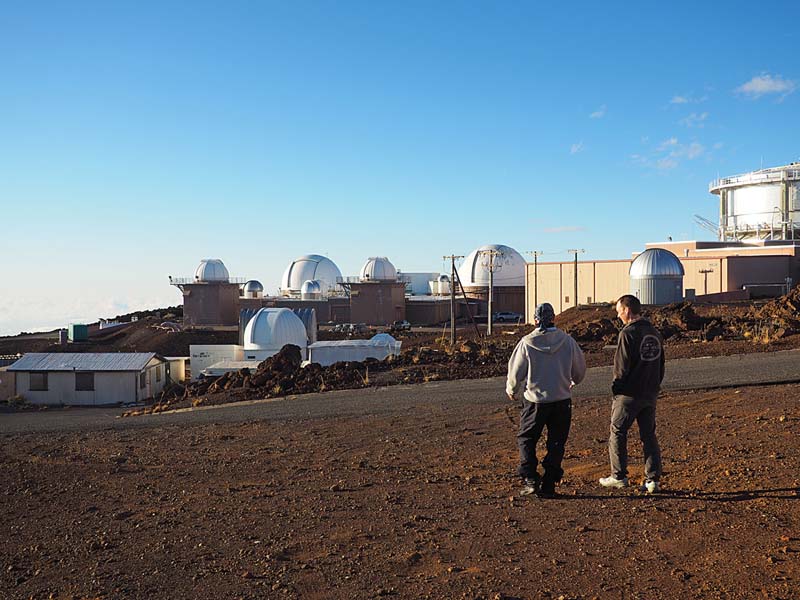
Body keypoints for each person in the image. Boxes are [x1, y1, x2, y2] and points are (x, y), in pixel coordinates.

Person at [506, 302, 586, 497]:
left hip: (535, 401)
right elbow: (580, 371)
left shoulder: (526, 343)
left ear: (535, 320)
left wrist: (512, 389)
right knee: (557, 442)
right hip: (561, 399)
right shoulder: (567, 341)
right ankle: (550, 482)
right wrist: (573, 380)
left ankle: (531, 478)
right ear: (553, 319)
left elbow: (516, 371)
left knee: (527, 438)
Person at [599, 294, 665, 493]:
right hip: (650, 393)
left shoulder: (627, 334)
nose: (618, 316)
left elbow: (621, 367)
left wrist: (616, 390)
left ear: (627, 310)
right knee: (648, 435)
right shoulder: (654, 332)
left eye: (619, 312)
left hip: (629, 394)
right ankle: (653, 479)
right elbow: (660, 365)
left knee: (618, 431)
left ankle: (618, 476)